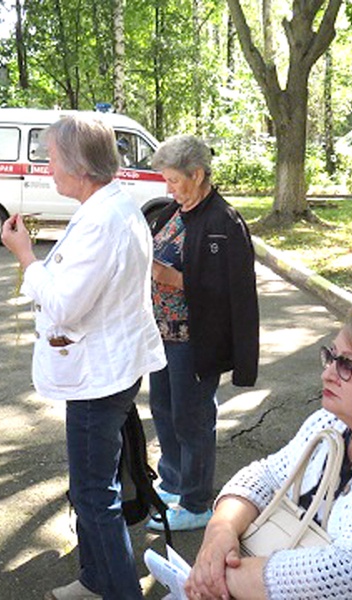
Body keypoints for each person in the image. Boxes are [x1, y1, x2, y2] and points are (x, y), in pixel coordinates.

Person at [1, 114, 166, 600]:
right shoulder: (109, 207)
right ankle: (96, 579)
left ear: (77, 163)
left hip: (100, 377)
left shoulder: (103, 220)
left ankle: (118, 590)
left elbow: (66, 308)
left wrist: (26, 257)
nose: (47, 167)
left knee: (96, 495)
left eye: (51, 156)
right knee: (93, 485)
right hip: (107, 368)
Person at [187, 307, 352, 600]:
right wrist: (220, 532)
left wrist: (218, 578)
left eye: (348, 365)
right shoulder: (333, 422)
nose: (327, 373)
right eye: (331, 356)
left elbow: (349, 573)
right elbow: (265, 476)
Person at [145, 134, 259, 533]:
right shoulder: (174, 211)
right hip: (161, 334)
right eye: (166, 181)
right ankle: (174, 482)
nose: (168, 188)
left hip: (194, 340)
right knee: (163, 410)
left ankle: (196, 503)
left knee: (192, 419)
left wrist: (171, 278)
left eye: (174, 180)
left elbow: (233, 290)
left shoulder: (223, 221)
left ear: (197, 174)